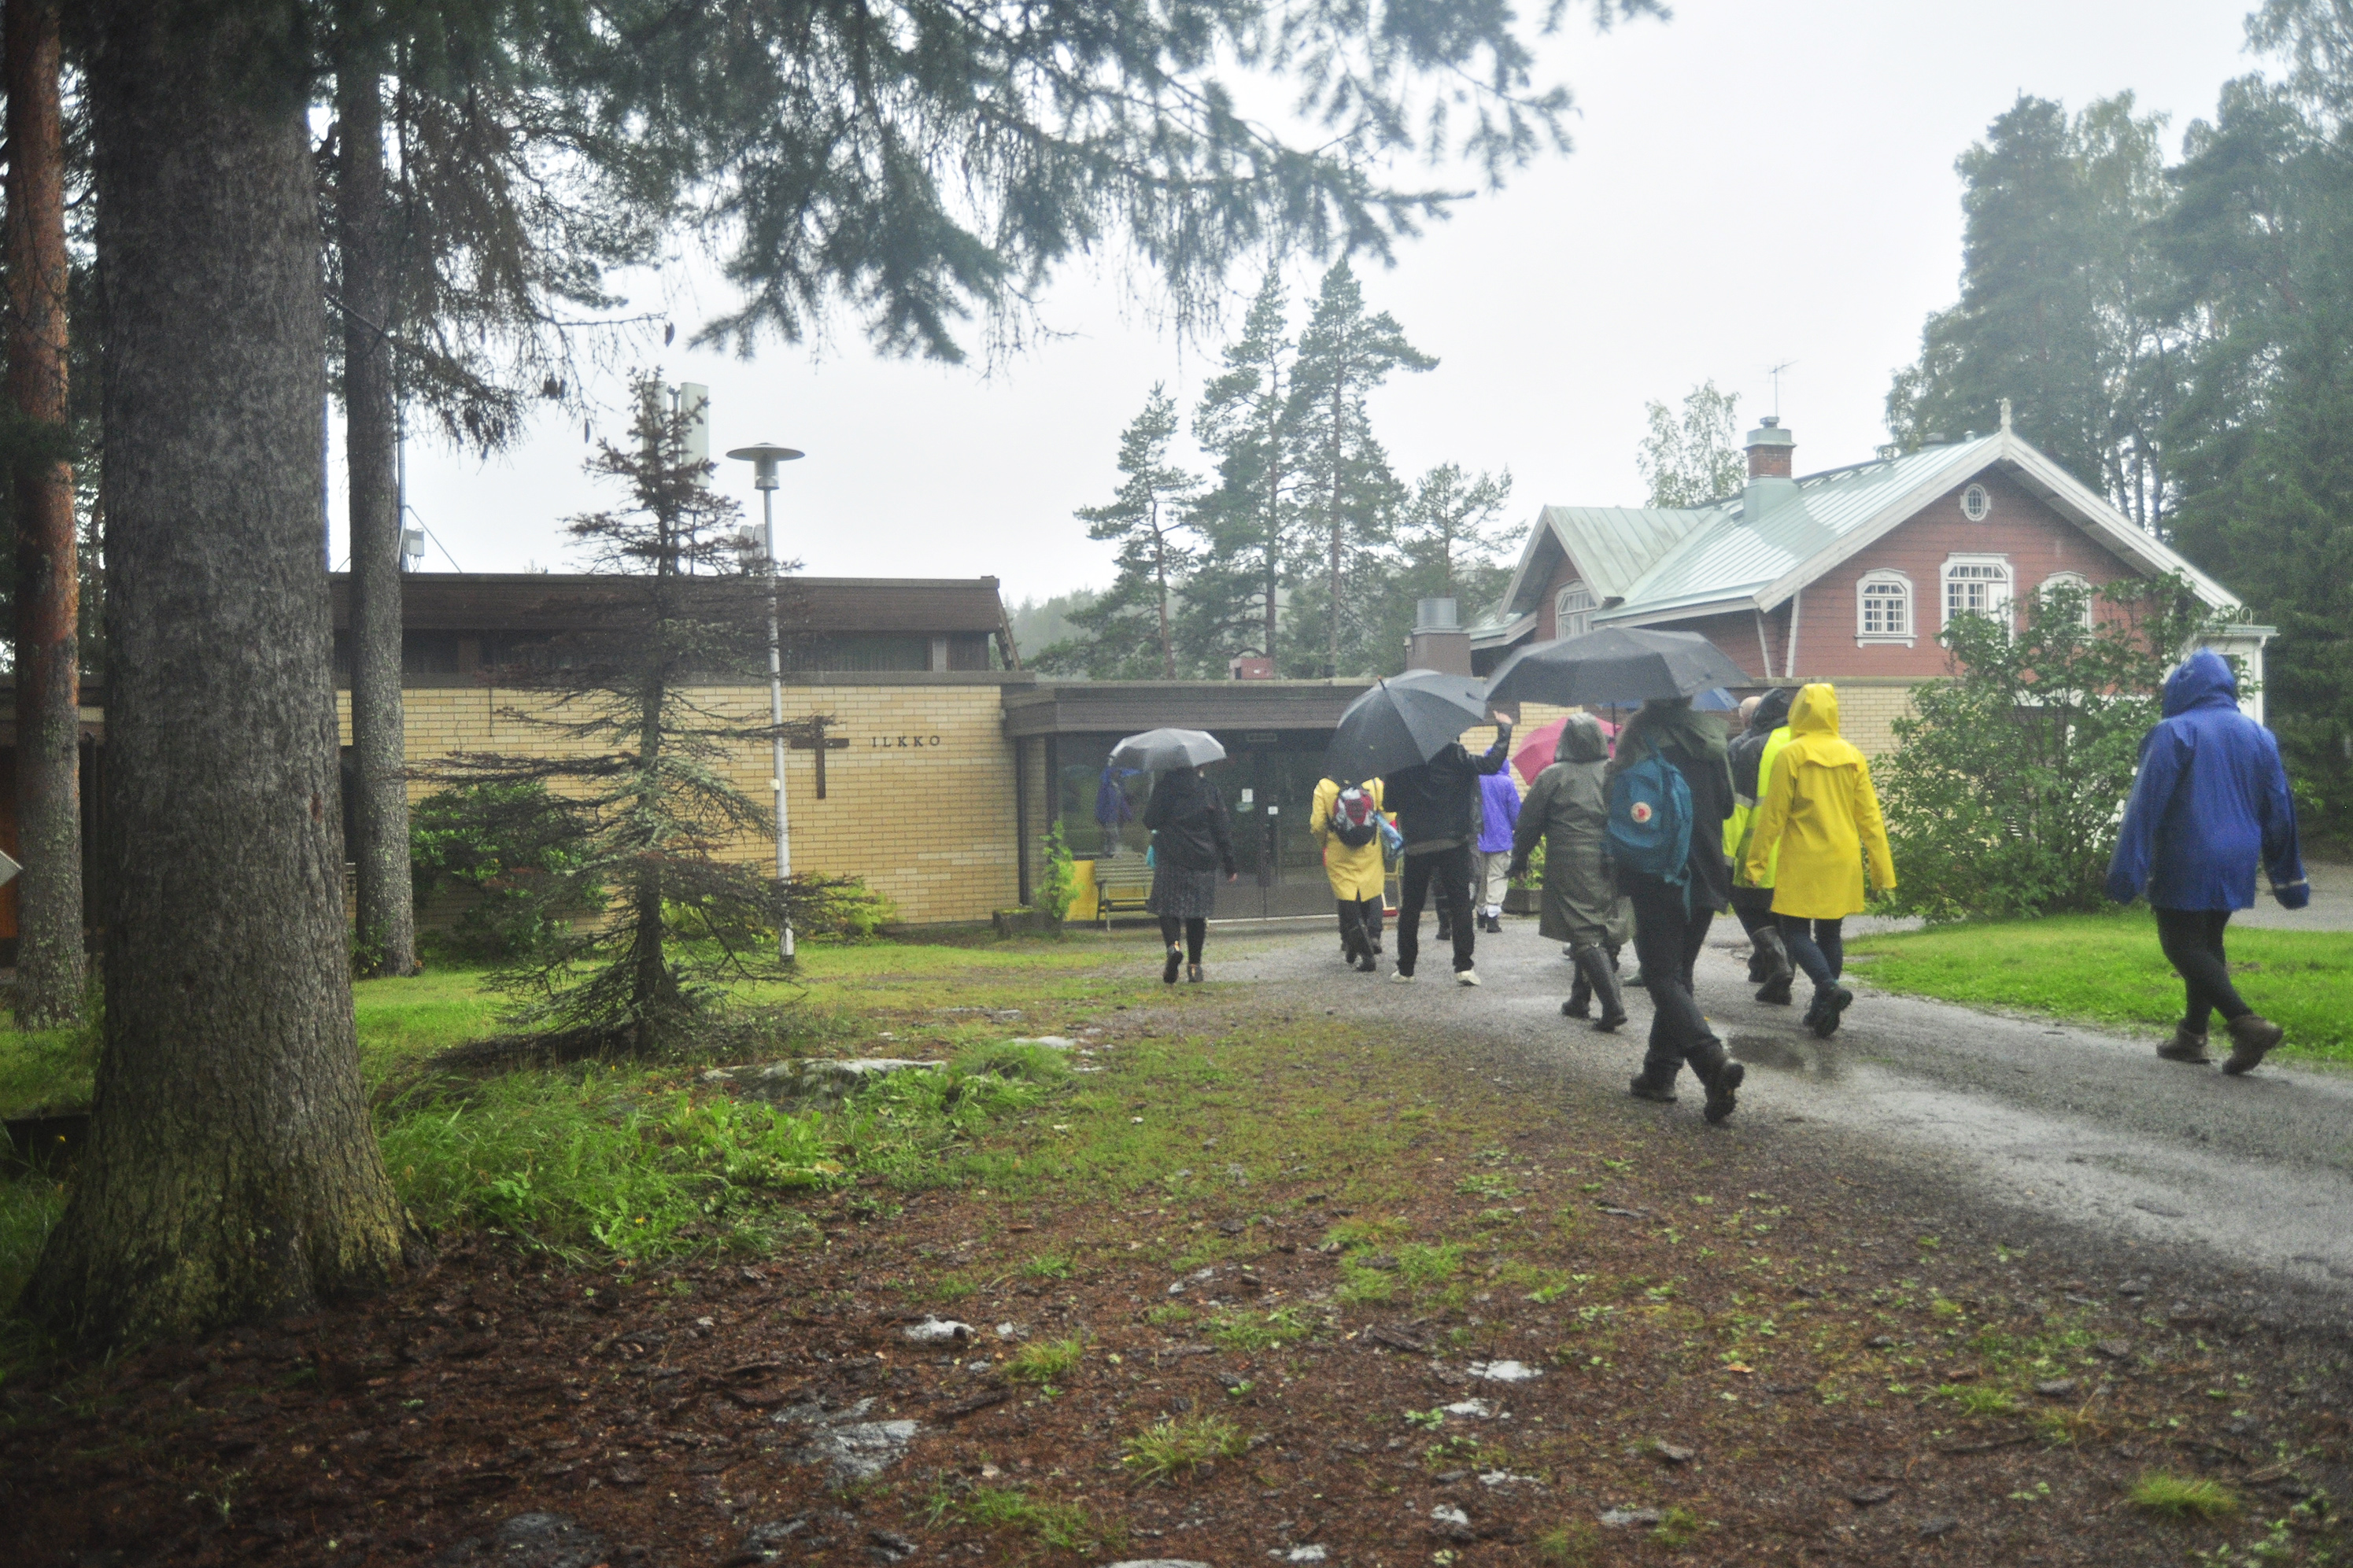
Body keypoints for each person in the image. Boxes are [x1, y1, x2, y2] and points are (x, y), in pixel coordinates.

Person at [2106, 649, 2307, 1072]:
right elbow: (2279, 808)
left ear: (2183, 688)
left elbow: (2146, 806)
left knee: (2180, 943)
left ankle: (2245, 1022)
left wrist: (2127, 873)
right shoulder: (2259, 735)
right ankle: (2191, 1038)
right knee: (2208, 943)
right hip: (2238, 856)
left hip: (2188, 850)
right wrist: (2289, 878)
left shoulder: (2174, 731)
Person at [1609, 695, 1742, 1123]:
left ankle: (1710, 1062)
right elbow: (1725, 805)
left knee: (1661, 975)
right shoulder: (1712, 737)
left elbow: (1616, 807)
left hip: (1658, 870)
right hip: (1706, 867)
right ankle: (1659, 1075)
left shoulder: (1638, 736)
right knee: (1678, 975)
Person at [1743, 684, 1897, 1039]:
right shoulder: (1853, 755)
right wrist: (1881, 869)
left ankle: (1826, 988)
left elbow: (1774, 815)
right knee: (1831, 933)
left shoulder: (1792, 754)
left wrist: (1755, 863)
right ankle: (1822, 1008)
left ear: (1798, 712)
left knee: (1795, 932)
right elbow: (1870, 816)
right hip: (1842, 857)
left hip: (1803, 857)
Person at [1510, 713, 1632, 1031]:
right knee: (1596, 927)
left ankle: (1612, 1004)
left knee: (1582, 931)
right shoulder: (1616, 772)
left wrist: (1519, 859)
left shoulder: (1553, 775)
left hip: (1572, 860)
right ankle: (1579, 998)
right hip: (1615, 857)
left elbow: (1529, 822)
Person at [1383, 719, 1513, 986]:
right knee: (1459, 903)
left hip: (1418, 844)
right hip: (1453, 841)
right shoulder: (1453, 754)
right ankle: (1464, 967)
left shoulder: (1401, 761)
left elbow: (1390, 803)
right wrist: (1505, 732)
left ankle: (1406, 969)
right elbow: (1490, 765)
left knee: (1411, 907)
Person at [1724, 687, 1798, 1002]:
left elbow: (1738, 807)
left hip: (1760, 847)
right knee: (1787, 915)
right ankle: (1780, 977)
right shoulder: (1807, 744)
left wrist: (1725, 855)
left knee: (1747, 905)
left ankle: (1777, 963)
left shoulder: (1753, 748)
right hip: (1802, 851)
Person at [1143, 765, 1238, 984]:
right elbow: (1221, 828)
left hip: (1171, 857)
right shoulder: (1209, 790)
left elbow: (1150, 820)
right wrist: (1230, 864)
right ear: (1200, 765)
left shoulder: (1164, 788)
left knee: (1167, 908)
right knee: (1197, 913)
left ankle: (1173, 947)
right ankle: (1195, 967)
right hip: (1202, 860)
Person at [1313, 774, 1388, 972]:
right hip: (1369, 850)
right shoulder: (1374, 783)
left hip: (1339, 852)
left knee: (1347, 902)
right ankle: (1373, 935)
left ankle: (1364, 953)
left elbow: (1317, 825)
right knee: (1371, 893)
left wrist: (1326, 842)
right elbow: (1389, 815)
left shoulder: (1325, 786)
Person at [1473, 767, 1522, 934]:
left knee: (1483, 878)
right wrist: (1517, 827)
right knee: (1498, 876)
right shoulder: (1506, 782)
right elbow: (1515, 811)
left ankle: (1480, 913)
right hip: (1501, 837)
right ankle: (1492, 918)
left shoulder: (1478, 778)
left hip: (1479, 836)